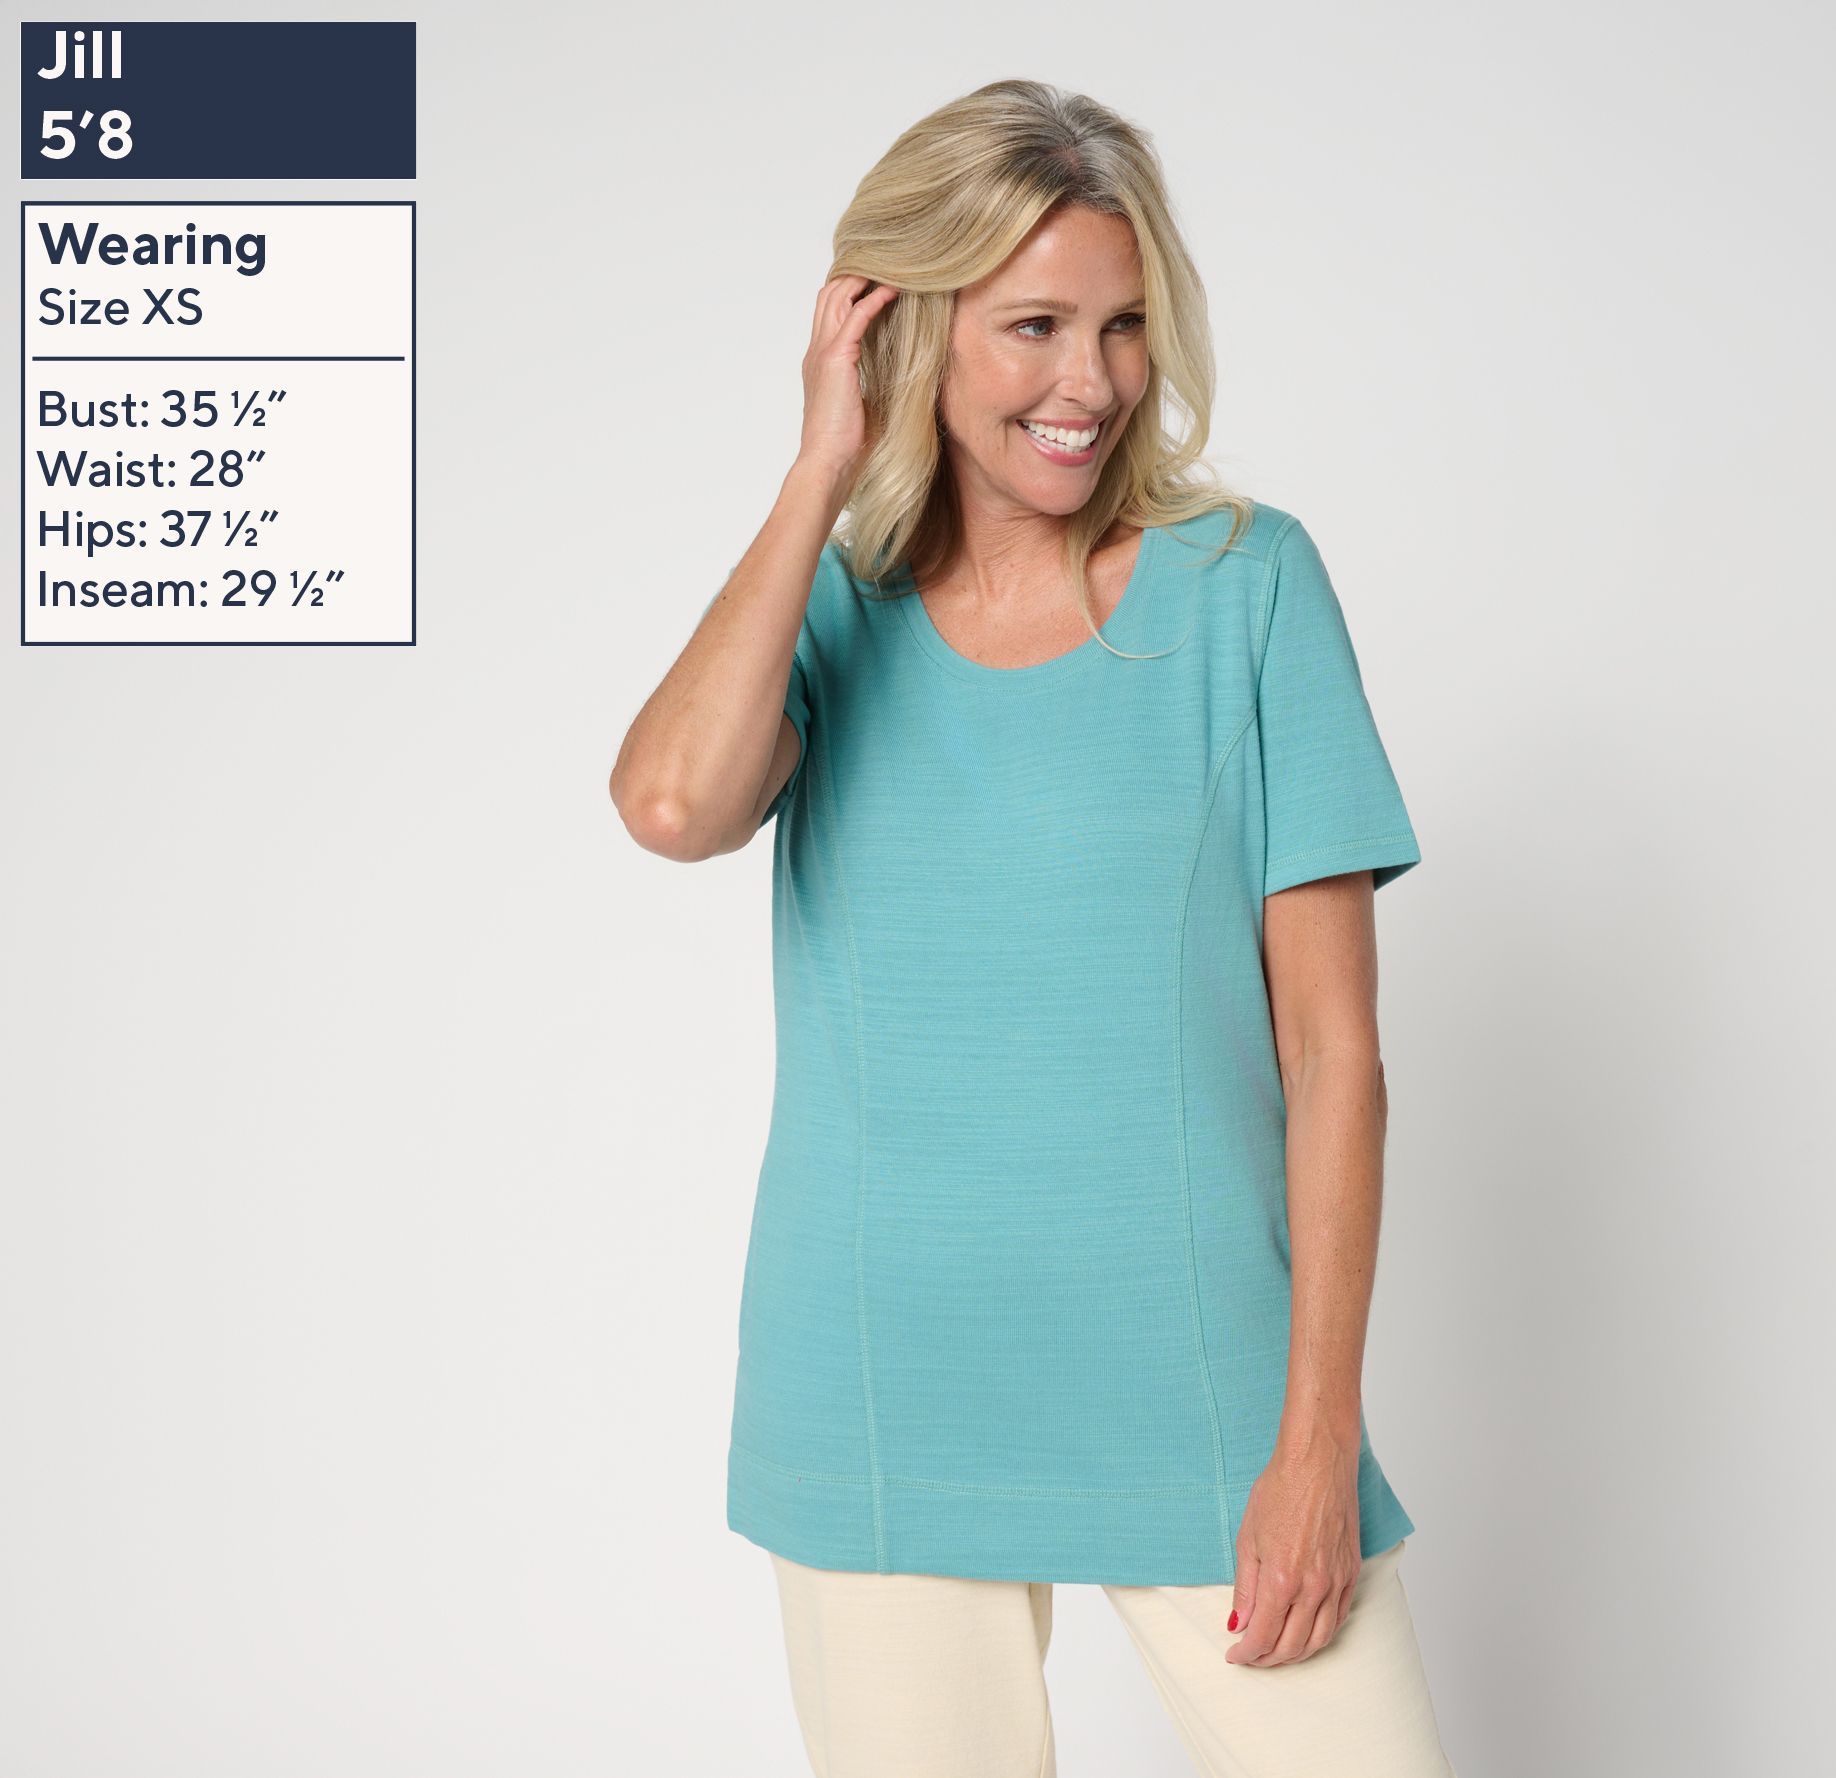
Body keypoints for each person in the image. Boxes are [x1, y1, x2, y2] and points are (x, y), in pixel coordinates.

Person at [610, 77, 1457, 1778]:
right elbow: (674, 805)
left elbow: (1335, 1056)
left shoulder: (1249, 589)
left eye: (1125, 326)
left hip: (1206, 1387)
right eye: (1035, 326)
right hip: (884, 1383)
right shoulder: (832, 609)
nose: (1092, 381)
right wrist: (821, 466)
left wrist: (1313, 1442)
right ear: (912, 330)